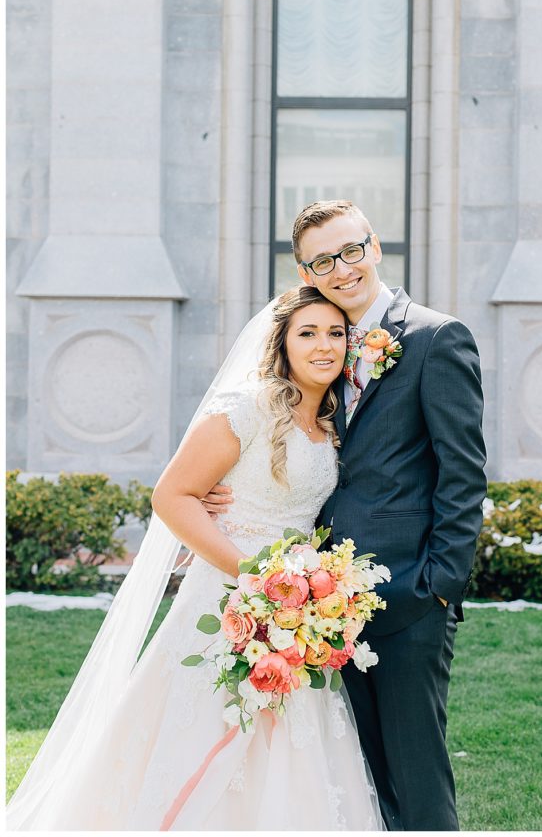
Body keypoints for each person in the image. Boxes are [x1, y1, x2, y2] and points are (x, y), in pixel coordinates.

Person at [6, 286, 384, 831]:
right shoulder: (247, 408)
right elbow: (171, 496)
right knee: (210, 728)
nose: (324, 345)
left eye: (335, 333)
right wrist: (255, 577)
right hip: (233, 596)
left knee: (293, 736)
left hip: (301, 608)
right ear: (282, 343)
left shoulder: (332, 422)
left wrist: (313, 590)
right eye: (308, 333)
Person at [205, 199, 488, 831]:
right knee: (354, 780)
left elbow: (463, 477)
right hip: (321, 606)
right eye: (322, 260)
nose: (342, 268)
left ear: (376, 247)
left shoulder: (436, 339)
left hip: (409, 598)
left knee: (415, 777)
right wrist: (216, 493)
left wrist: (437, 589)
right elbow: (281, 444)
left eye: (351, 250)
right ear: (307, 273)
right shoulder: (319, 346)